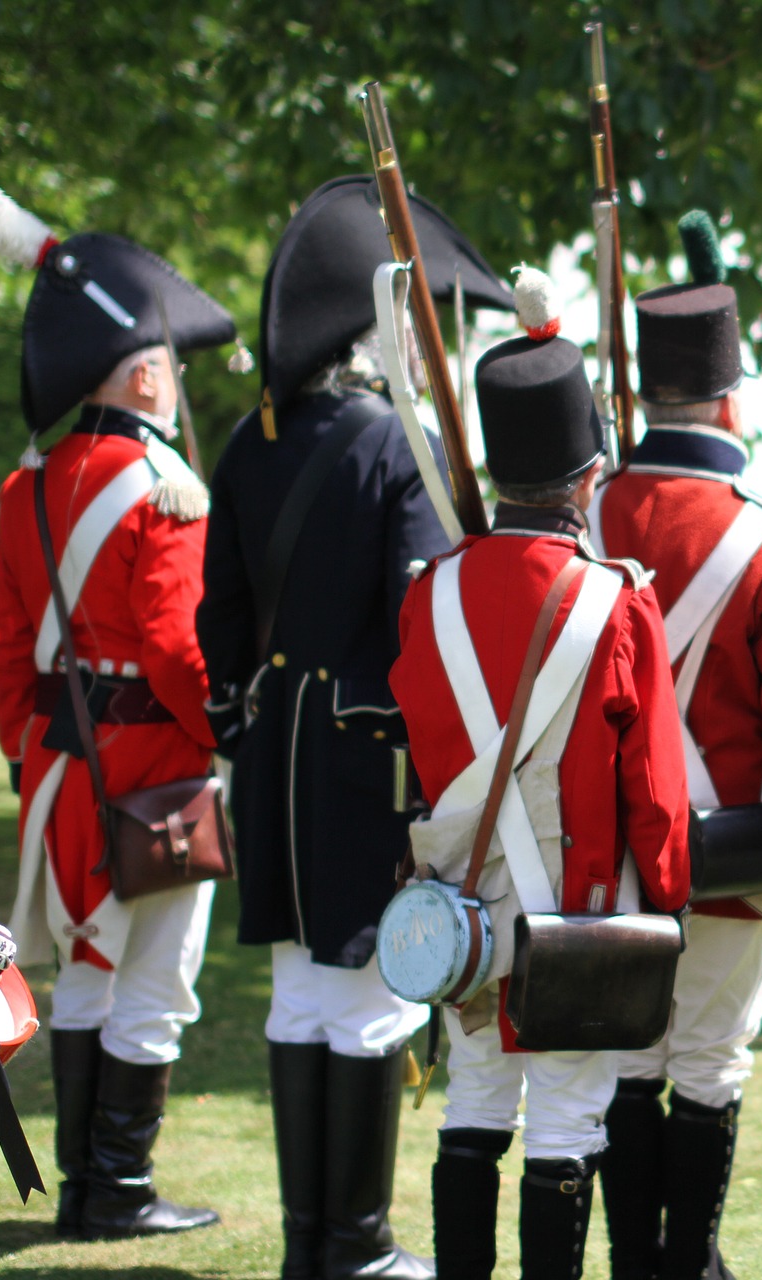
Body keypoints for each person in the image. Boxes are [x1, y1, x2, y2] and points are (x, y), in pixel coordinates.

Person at [195, 175, 514, 1279]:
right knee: (375, 995)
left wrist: (245, 713)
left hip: (272, 756)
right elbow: (422, 627)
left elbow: (221, 621)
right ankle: (358, 1243)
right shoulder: (397, 445)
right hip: (367, 765)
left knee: (301, 992)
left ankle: (309, 1245)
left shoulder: (249, 442)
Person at [390, 275, 693, 1280]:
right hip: (579, 905)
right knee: (567, 1113)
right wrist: (671, 897)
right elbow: (654, 787)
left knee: (475, 1100)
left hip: (460, 904)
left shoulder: (427, 595)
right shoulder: (613, 601)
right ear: (587, 475)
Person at [0, 185, 230, 1238]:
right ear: (149, 372)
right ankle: (115, 1189)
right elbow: (173, 645)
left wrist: (35, 751)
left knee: (83, 971)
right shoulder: (166, 484)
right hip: (156, 775)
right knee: (154, 979)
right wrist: (223, 734)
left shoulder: (30, 484)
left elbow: (0, 641)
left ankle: (85, 1185)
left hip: (63, 772)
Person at [589, 212, 762, 1280]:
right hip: (730, 845)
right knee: (710, 1058)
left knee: (630, 1059)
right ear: (733, 400)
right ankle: (690, 1259)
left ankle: (639, 1259)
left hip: (603, 846)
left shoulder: (587, 516)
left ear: (646, 396)